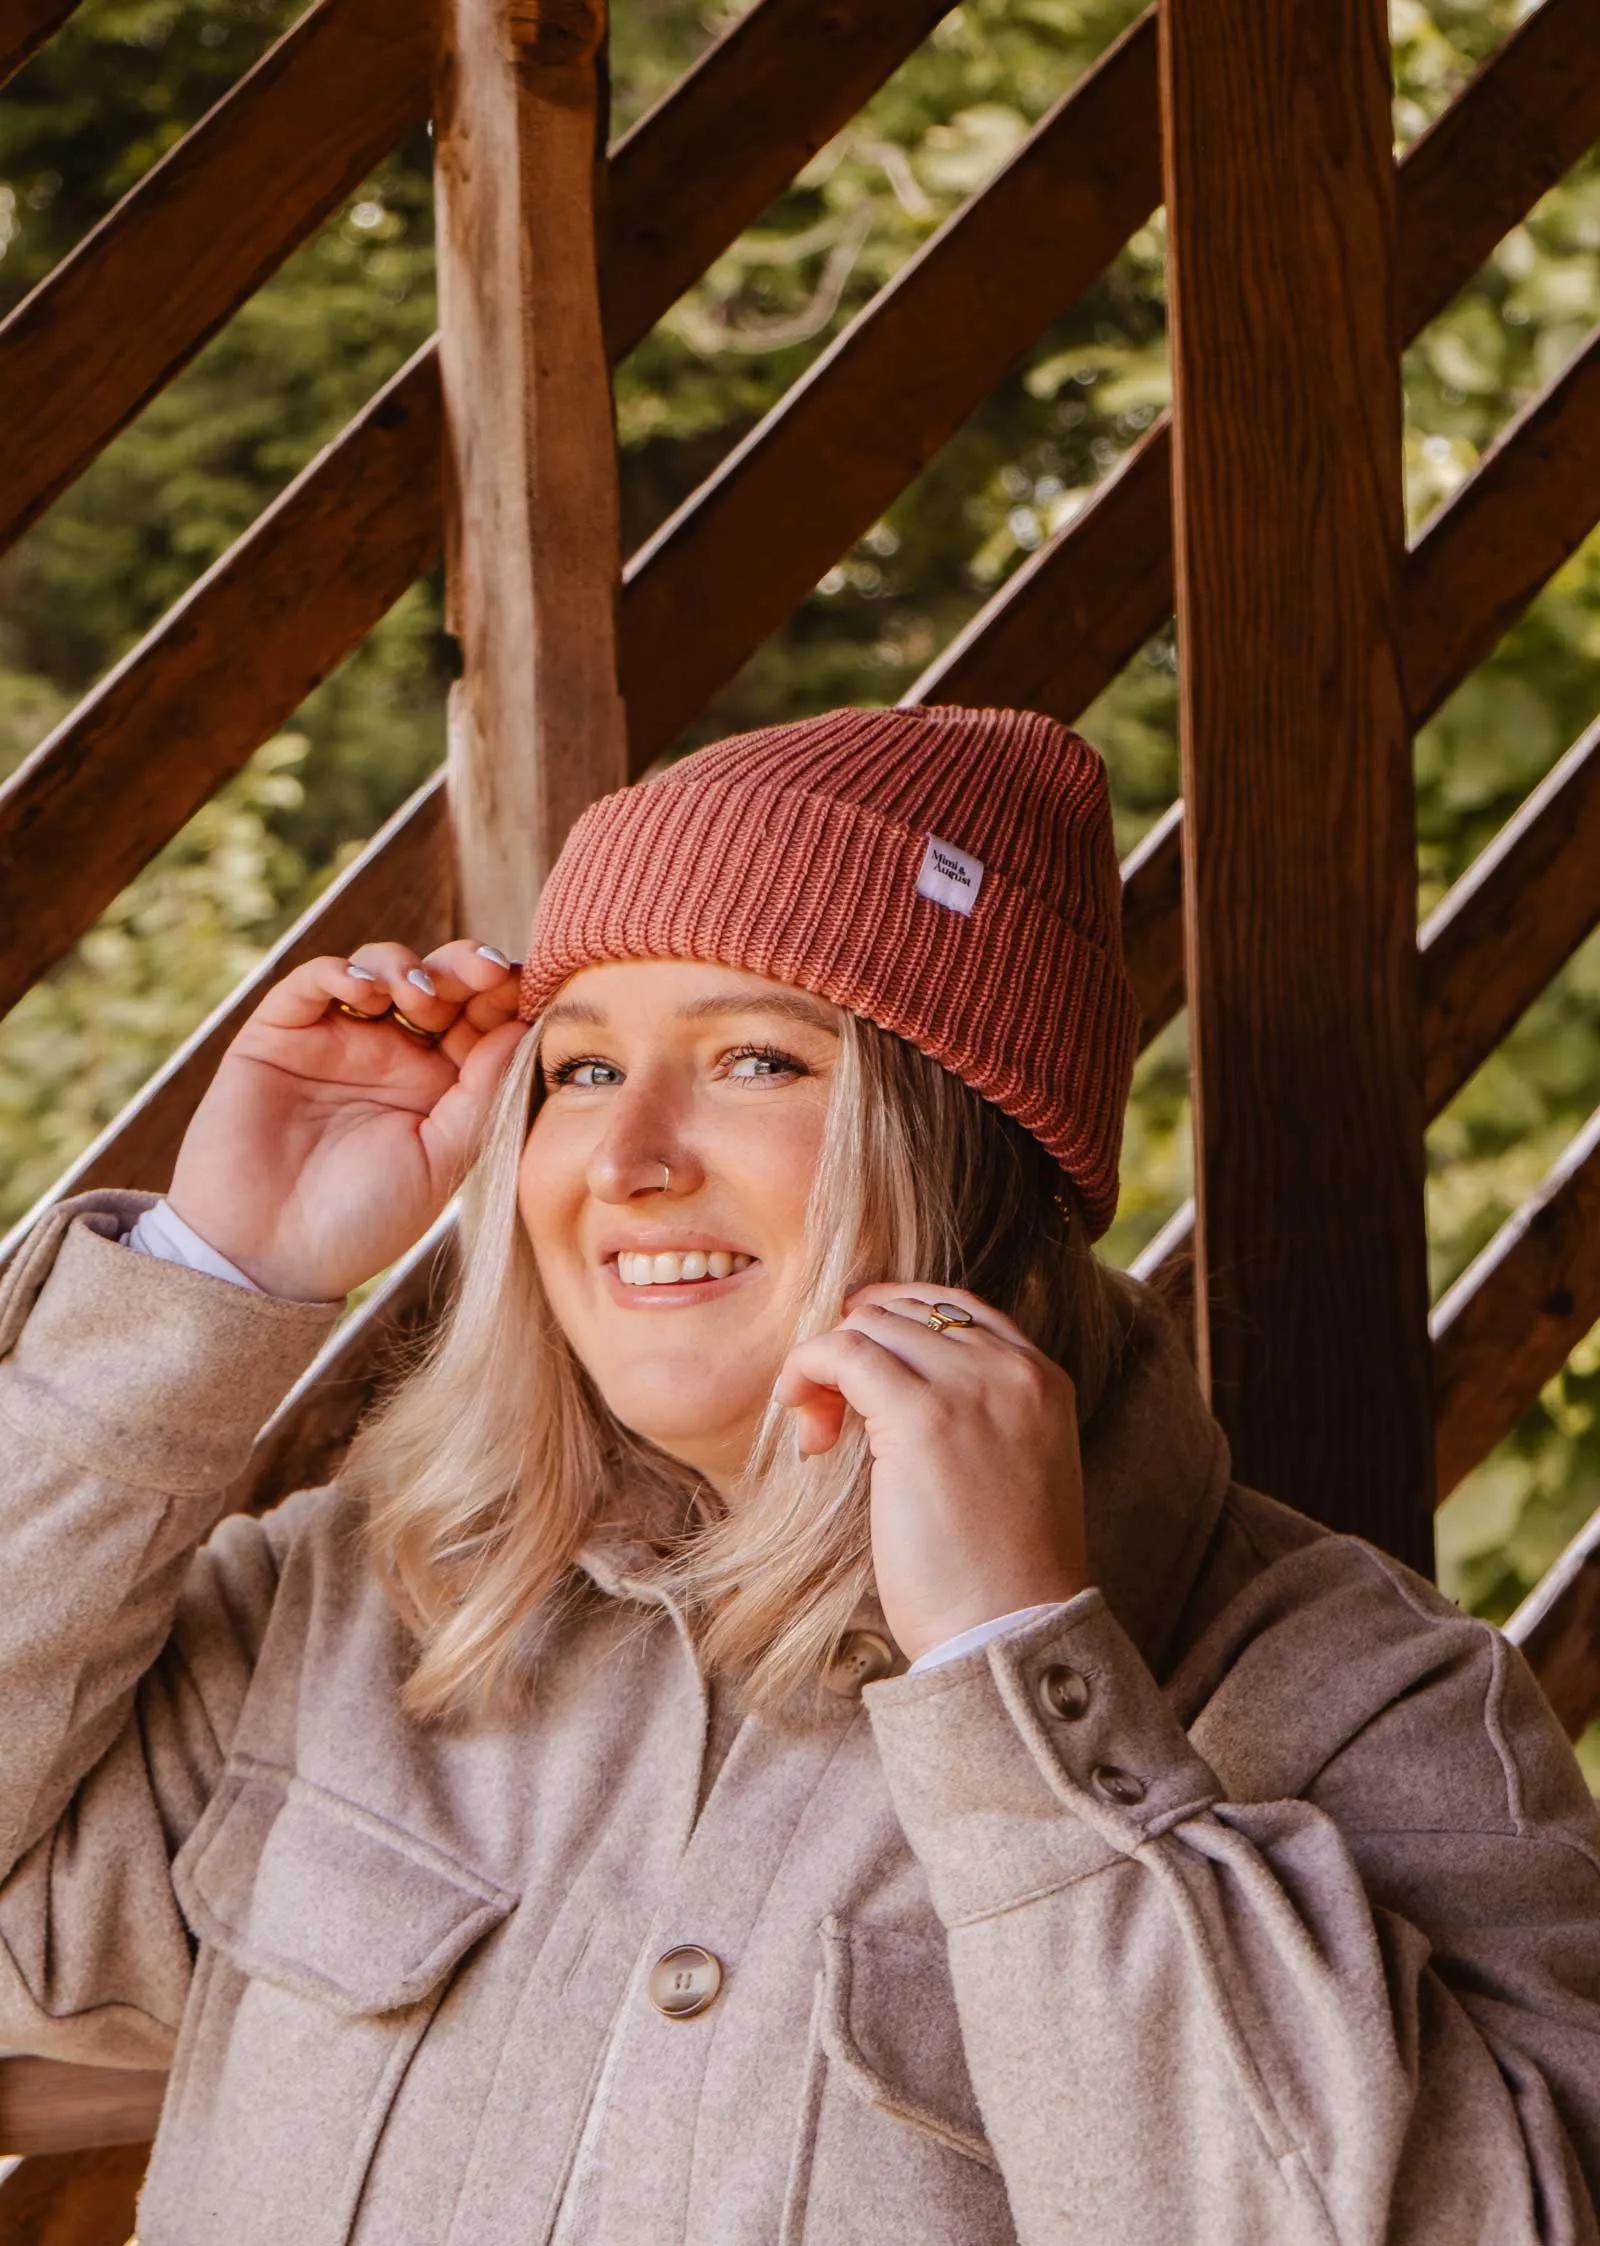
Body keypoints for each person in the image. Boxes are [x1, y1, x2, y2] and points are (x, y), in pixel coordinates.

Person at [0, 704, 1597, 2246]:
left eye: (758, 1060)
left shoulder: (1365, 1699)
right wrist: (210, 1279)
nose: (631, 1161)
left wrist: (1015, 1677)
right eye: (580, 1071)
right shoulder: (368, 1601)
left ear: (979, 1154)